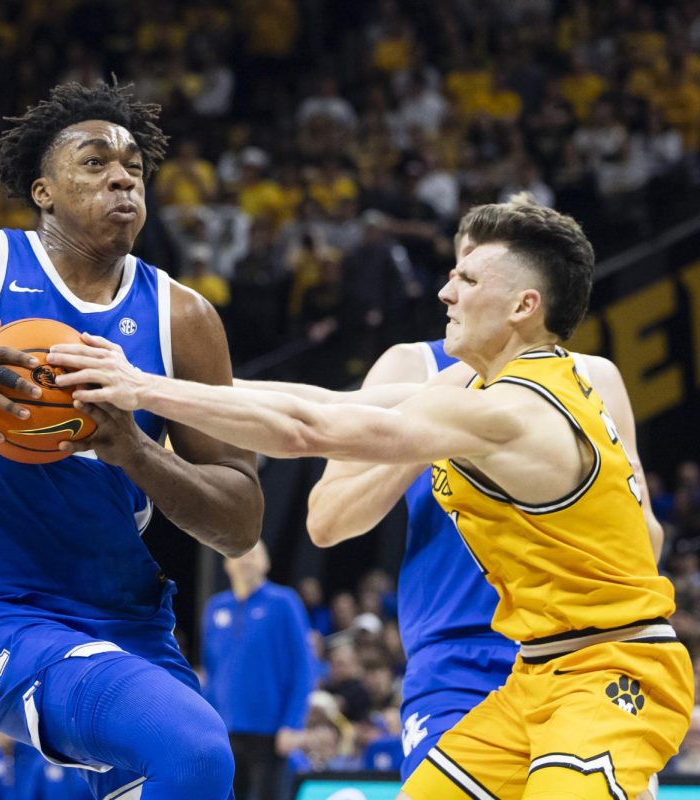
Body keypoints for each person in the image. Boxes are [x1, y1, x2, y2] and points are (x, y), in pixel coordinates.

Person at [51, 199, 692, 798]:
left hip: (612, 669)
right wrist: (151, 383)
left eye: (467, 280)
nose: (445, 292)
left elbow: (308, 430)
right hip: (534, 675)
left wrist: (142, 390)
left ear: (524, 305)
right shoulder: (486, 390)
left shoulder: (514, 409)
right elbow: (322, 403)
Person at [0, 82, 263, 799]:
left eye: (133, 166)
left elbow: (241, 520)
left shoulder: (183, 318)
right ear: (44, 191)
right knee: (196, 752)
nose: (123, 176)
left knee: (192, 777)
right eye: (94, 162)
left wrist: (133, 448)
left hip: (131, 618)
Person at [304, 207, 665, 781]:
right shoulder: (412, 365)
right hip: (458, 654)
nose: (454, 288)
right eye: (463, 270)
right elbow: (326, 521)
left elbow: (647, 539)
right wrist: (431, 431)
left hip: (576, 649)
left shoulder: (589, 377)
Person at [201, 541, 316, 800]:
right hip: (225, 730)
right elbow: (211, 671)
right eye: (240, 553)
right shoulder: (215, 608)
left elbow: (305, 667)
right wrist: (206, 725)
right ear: (226, 563)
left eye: (254, 553)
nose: (247, 559)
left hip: (271, 732)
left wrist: (292, 723)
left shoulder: (284, 602)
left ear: (266, 562)